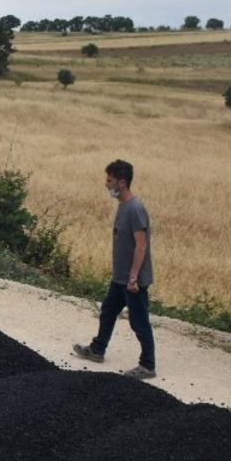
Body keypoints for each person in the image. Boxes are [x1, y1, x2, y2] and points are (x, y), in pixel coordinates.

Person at [73, 159, 156, 379]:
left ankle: (148, 365)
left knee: (139, 322)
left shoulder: (135, 209)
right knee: (108, 311)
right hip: (120, 277)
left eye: (109, 180)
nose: (106, 184)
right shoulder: (123, 206)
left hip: (132, 280)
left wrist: (133, 278)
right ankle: (97, 349)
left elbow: (141, 245)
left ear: (122, 182)